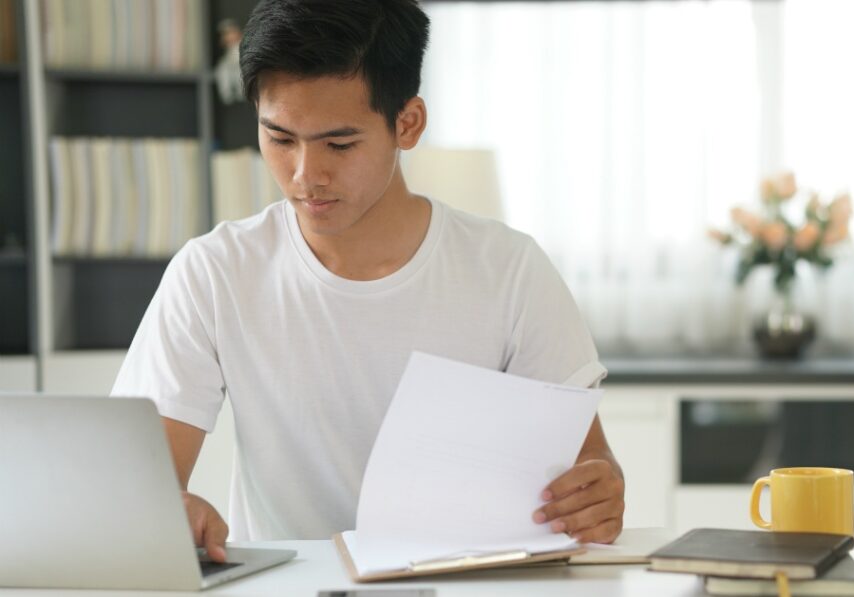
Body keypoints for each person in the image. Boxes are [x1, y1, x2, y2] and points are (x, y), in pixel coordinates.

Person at [111, 0, 624, 563]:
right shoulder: (214, 271)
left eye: (339, 144)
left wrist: (597, 496)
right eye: (280, 138)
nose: (306, 176)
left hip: (467, 580)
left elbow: (587, 468)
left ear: (408, 124)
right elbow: (136, 488)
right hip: (291, 585)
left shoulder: (510, 270)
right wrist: (168, 507)